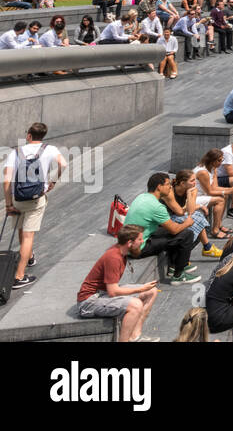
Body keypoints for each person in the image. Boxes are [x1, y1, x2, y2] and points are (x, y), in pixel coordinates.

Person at [3, 122, 67, 290]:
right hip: (36, 198)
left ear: (29, 135)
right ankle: (19, 277)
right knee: (28, 236)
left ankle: (29, 256)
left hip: (17, 198)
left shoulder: (16, 152)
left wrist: (8, 204)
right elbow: (64, 164)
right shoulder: (50, 149)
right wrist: (53, 180)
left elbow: (7, 180)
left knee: (21, 230)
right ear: (42, 136)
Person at [76, 224, 159, 342]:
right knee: (135, 305)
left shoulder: (122, 251)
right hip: (89, 301)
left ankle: (135, 336)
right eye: (140, 239)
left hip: (103, 293)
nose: (142, 241)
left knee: (151, 291)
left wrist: (143, 289)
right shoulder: (113, 258)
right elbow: (113, 291)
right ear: (130, 243)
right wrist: (140, 289)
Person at [123, 173, 201, 285]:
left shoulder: (142, 197)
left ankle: (173, 267)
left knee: (172, 232)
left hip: (132, 241)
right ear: (159, 187)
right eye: (168, 184)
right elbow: (174, 229)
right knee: (187, 234)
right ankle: (179, 276)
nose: (170, 187)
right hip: (138, 248)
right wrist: (187, 223)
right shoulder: (157, 206)